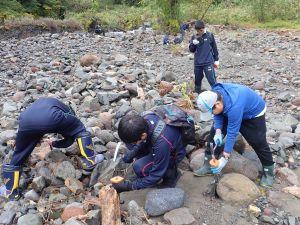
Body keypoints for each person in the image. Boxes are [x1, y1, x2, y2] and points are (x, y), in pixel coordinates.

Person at [0, 97, 104, 200]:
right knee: (80, 128)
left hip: (25, 120)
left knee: (20, 152)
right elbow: (69, 140)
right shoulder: (68, 111)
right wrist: (56, 143)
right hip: (51, 117)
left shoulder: (44, 102)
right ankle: (90, 160)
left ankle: (11, 192)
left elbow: (38, 124)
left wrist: (53, 143)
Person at [194, 83, 275, 187]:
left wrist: (224, 158)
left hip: (253, 112)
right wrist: (218, 131)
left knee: (258, 142)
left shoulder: (234, 106)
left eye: (211, 111)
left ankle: (269, 173)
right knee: (213, 136)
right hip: (230, 107)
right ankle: (208, 165)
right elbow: (217, 115)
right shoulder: (215, 95)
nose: (212, 114)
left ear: (218, 104)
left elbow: (232, 132)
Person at [113, 111, 187, 193]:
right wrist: (130, 155)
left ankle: (171, 174)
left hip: (174, 152)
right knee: (134, 149)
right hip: (160, 142)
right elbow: (140, 142)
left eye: (133, 142)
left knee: (140, 168)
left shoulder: (162, 144)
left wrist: (130, 186)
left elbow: (155, 175)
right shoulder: (144, 118)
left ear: (143, 135)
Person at [189, 20, 219, 93]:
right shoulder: (194, 37)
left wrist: (216, 60)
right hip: (198, 63)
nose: (199, 32)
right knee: (197, 81)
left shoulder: (209, 35)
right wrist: (193, 44)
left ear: (203, 28)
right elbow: (191, 50)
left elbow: (214, 48)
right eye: (198, 31)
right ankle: (197, 95)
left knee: (212, 80)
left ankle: (218, 94)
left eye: (201, 30)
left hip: (208, 62)